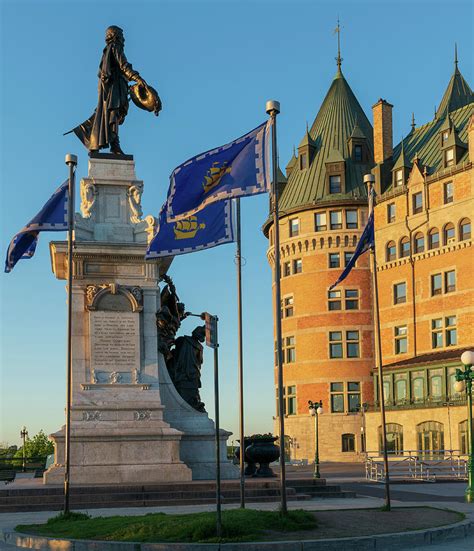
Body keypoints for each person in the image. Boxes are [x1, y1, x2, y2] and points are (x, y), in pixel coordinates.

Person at [70, 25, 146, 154]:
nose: (124, 40)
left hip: (109, 88)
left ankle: (97, 142)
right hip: (113, 88)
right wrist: (138, 78)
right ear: (116, 36)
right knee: (112, 114)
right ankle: (115, 146)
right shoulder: (115, 48)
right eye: (122, 37)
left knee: (107, 114)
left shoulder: (107, 50)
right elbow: (124, 66)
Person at [173, 326, 206, 412]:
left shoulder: (182, 340)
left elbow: (174, 351)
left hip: (181, 372)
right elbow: (200, 361)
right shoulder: (199, 347)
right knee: (192, 392)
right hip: (192, 373)